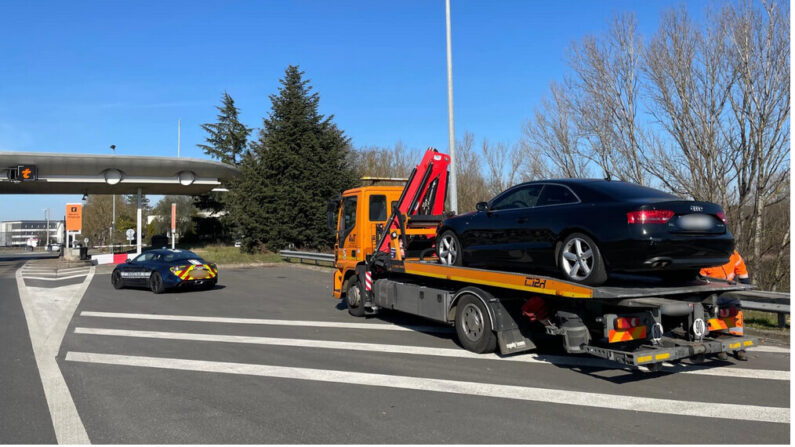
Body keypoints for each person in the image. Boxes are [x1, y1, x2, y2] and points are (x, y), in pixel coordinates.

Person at [700, 249, 750, 361]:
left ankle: (739, 347)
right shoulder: (706, 258)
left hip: (728, 290)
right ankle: (720, 347)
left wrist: (746, 287)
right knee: (715, 318)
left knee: (736, 315)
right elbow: (700, 279)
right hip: (712, 293)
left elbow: (741, 271)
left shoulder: (733, 255)